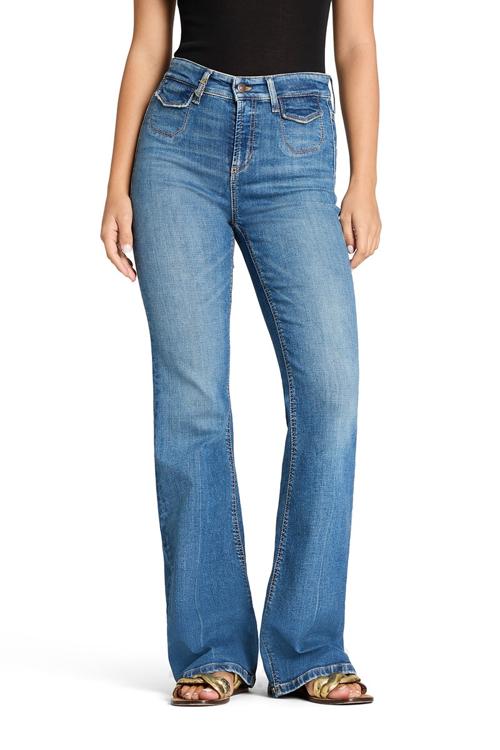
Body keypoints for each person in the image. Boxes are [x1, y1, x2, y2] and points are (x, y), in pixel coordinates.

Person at [100, 0, 381, 707]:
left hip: (297, 142)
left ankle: (309, 647)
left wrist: (365, 180)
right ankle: (211, 648)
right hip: (178, 141)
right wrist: (116, 185)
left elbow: (355, 42)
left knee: (331, 394)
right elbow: (148, 43)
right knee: (192, 403)